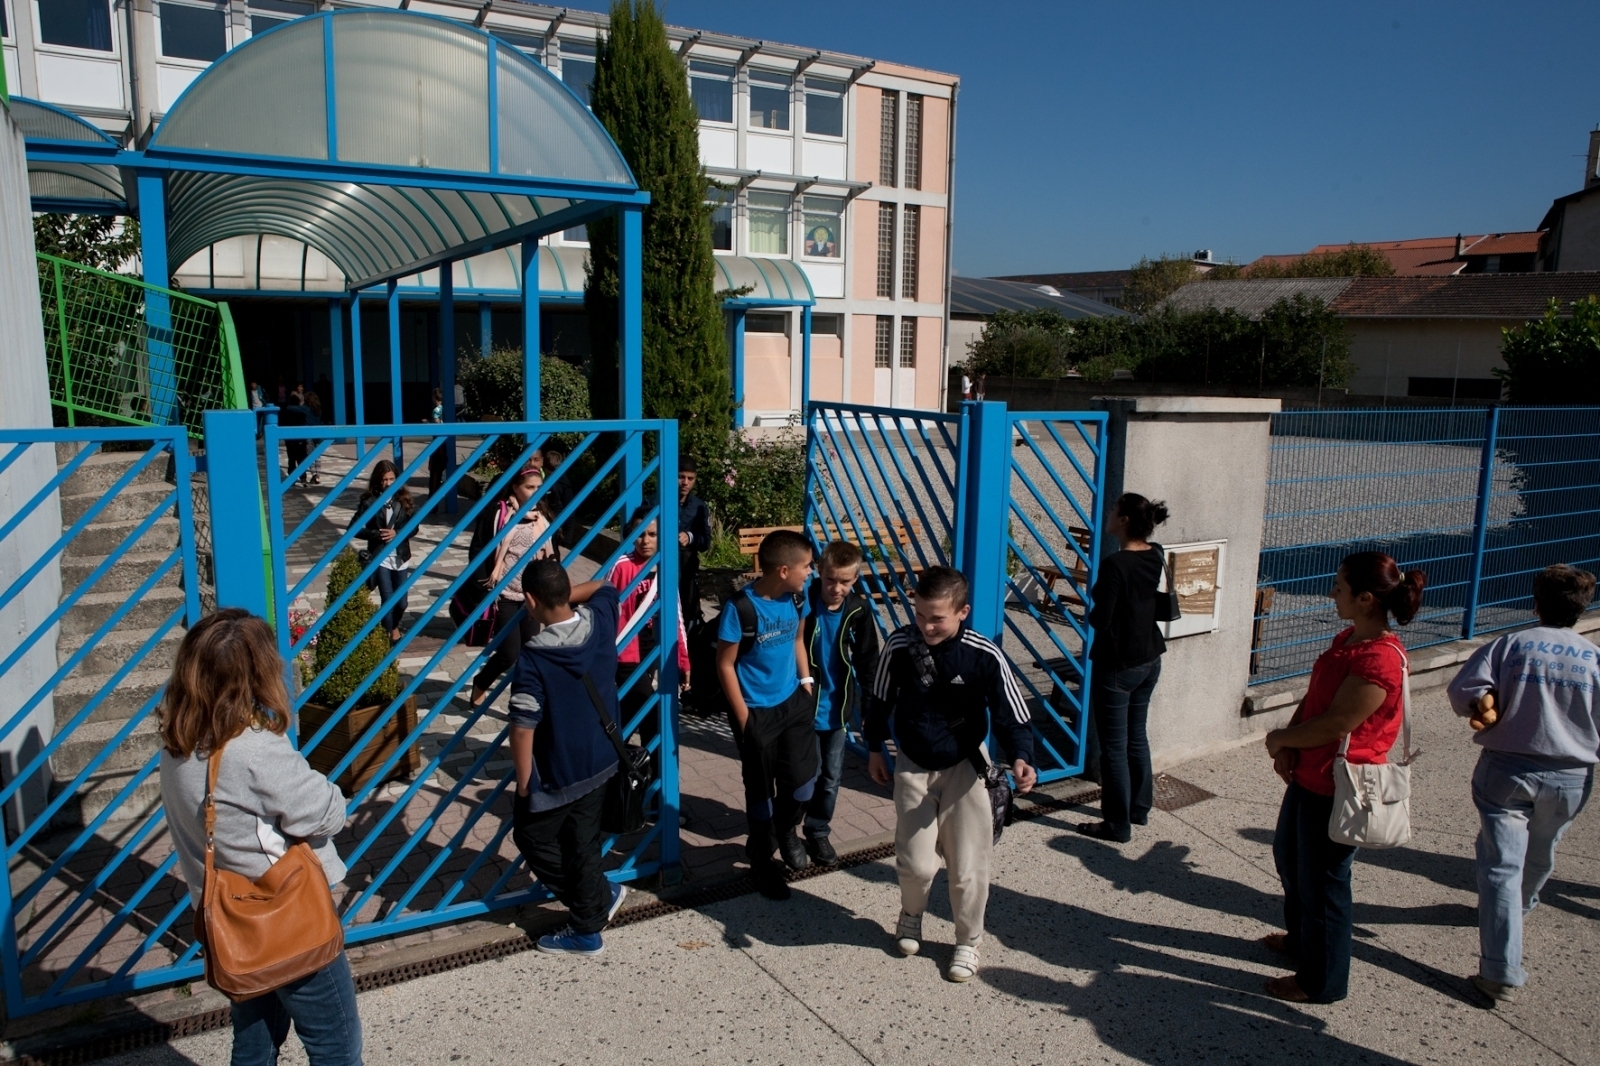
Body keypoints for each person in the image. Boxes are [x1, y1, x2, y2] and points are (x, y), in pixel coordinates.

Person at [158, 609, 362, 1065]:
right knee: (337, 1048)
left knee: (254, 1043)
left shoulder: (177, 745)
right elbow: (328, 813)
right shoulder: (252, 749)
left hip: (234, 925)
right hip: (289, 923)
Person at [1261, 551, 1425, 1004]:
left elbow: (1337, 723)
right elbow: (1316, 699)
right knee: (1291, 864)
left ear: (1367, 598)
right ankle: (1300, 943)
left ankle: (1321, 981)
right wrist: (1290, 744)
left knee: (1324, 888)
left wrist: (1279, 738)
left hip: (1339, 787)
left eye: (1340, 586)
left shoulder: (1380, 661)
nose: (1332, 592)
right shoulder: (1349, 638)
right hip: (1310, 777)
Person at [866, 566, 1037, 983]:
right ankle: (911, 915)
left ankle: (968, 940)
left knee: (967, 867)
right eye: (920, 614)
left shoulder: (984, 654)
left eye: (937, 617)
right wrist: (875, 747)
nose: (925, 625)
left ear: (963, 612)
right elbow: (879, 699)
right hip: (913, 766)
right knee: (915, 863)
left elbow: (1012, 712)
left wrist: (1021, 756)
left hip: (965, 768)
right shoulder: (900, 645)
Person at [1446, 564, 1598, 1006]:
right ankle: (1521, 905)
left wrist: (1484, 704)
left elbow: (1464, 694)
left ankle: (1500, 968)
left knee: (1499, 866)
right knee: (1542, 850)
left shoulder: (1510, 645)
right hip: (1571, 776)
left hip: (1507, 770)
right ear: (1582, 609)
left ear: (1536, 602)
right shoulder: (1593, 658)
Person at [507, 560, 631, 956]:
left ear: (529, 600)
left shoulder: (534, 658)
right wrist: (560, 592)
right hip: (603, 758)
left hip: (560, 771)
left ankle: (587, 920)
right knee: (583, 843)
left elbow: (523, 725)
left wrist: (525, 781)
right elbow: (603, 585)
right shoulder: (602, 619)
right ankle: (597, 897)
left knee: (533, 835)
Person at [716, 529, 818, 900]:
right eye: (807, 566)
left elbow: (797, 639)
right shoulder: (739, 608)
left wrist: (805, 681)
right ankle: (763, 860)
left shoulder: (796, 599)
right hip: (756, 712)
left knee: (803, 783)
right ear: (783, 570)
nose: (812, 572)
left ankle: (784, 831)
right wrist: (744, 720)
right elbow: (725, 665)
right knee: (760, 792)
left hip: (793, 702)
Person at [1077, 493, 1170, 843]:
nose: (1109, 514)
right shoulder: (1155, 553)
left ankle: (1117, 824)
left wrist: (1097, 599)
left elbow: (1101, 618)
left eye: (1114, 510)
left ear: (1125, 520)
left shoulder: (1116, 565)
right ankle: (1139, 808)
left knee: (1113, 746)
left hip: (1117, 664)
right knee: (1136, 735)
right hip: (1149, 658)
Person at [800, 540, 879, 865]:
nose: (836, 588)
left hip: (836, 710)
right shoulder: (802, 601)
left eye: (845, 581)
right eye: (831, 579)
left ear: (856, 578)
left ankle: (818, 832)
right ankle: (786, 828)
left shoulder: (858, 610)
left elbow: (868, 661)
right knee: (801, 775)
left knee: (830, 777)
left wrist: (871, 706)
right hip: (801, 707)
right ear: (819, 571)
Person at [468, 463, 555, 705]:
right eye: (529, 487)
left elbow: (551, 551)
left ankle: (523, 702)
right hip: (504, 592)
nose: (536, 491)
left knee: (530, 652)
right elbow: (478, 549)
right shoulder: (499, 514)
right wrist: (482, 586)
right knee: (509, 653)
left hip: (532, 596)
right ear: (515, 487)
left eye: (539, 487)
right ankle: (481, 682)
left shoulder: (541, 515)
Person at [608, 512, 691, 760]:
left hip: (655, 650)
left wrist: (683, 660)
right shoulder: (622, 566)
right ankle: (635, 766)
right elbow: (607, 610)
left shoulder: (664, 567)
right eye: (639, 534)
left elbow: (675, 615)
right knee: (650, 709)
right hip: (625, 653)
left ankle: (640, 776)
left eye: (652, 534)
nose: (645, 540)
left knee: (633, 711)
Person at [353, 460, 413, 643]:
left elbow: (414, 527)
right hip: (380, 557)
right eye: (384, 479)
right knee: (388, 600)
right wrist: (377, 534)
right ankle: (389, 636)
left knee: (401, 603)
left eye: (392, 479)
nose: (388, 483)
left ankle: (390, 626)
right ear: (378, 481)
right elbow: (354, 528)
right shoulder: (369, 501)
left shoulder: (404, 499)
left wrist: (398, 533)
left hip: (401, 557)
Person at [676, 457, 713, 625]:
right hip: (660, 567)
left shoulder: (699, 506)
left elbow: (705, 541)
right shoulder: (655, 501)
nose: (685, 482)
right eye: (681, 477)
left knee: (688, 613)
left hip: (687, 570)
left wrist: (689, 537)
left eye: (690, 478)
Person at [539, 441, 576, 554]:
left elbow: (569, 509)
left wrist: (568, 536)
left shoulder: (559, 484)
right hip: (552, 522)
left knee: (551, 551)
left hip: (553, 522)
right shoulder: (564, 483)